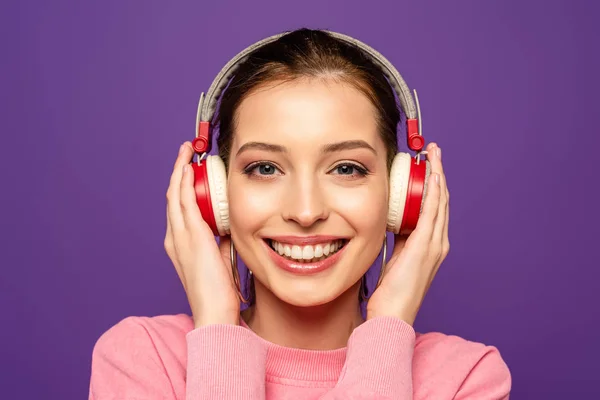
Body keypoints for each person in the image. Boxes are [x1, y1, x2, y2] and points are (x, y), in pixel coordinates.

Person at [88, 28, 511, 399]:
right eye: (265, 168)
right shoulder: (141, 358)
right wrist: (217, 326)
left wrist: (388, 329)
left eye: (346, 168)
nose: (305, 212)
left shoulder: (467, 379)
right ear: (212, 193)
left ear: (402, 192)